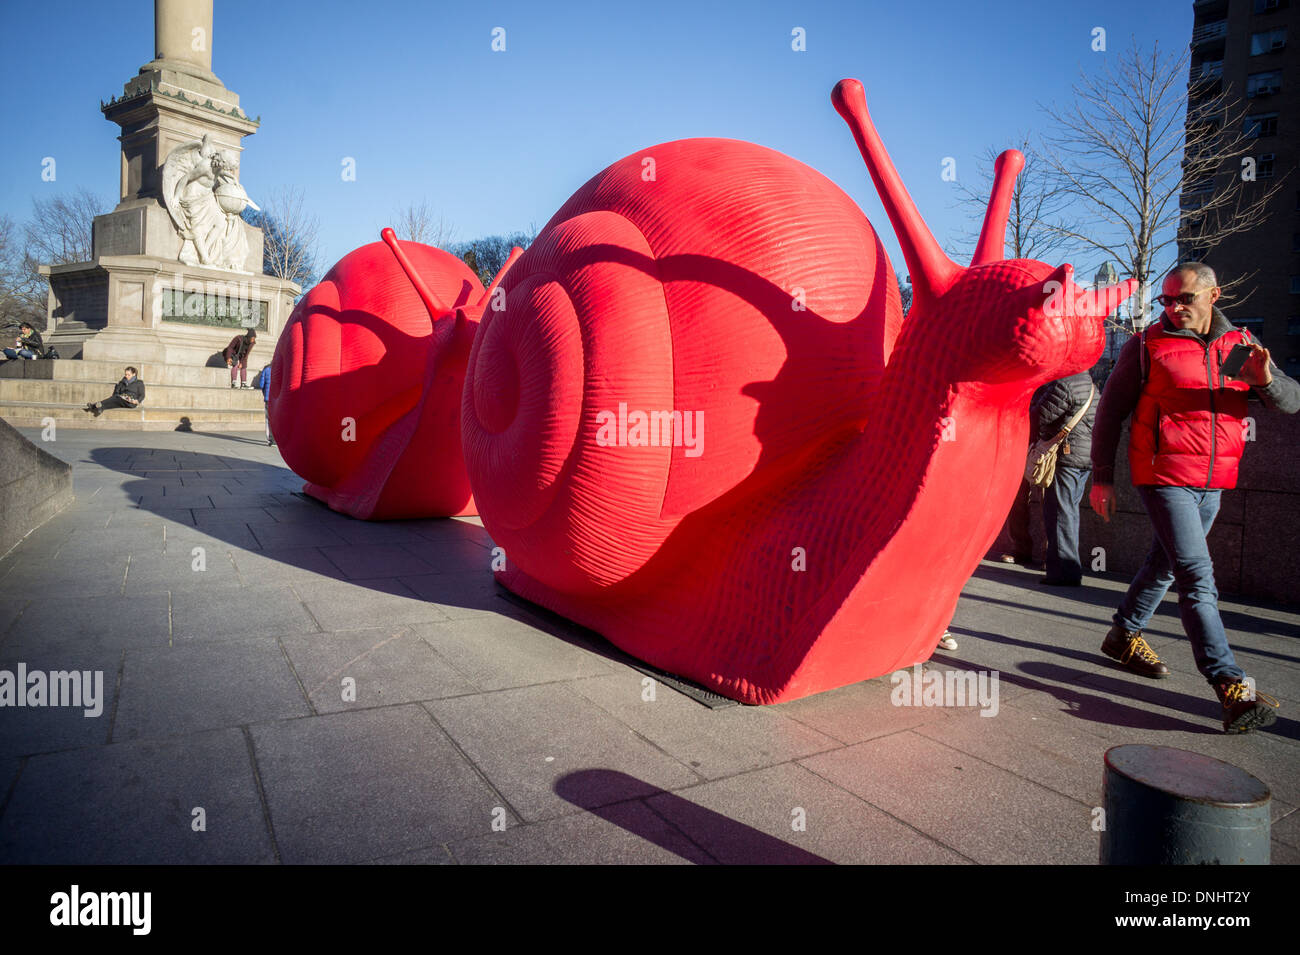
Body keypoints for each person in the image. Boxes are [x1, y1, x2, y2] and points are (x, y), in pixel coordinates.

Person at [1090, 262, 1300, 733]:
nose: (1174, 307)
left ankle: (1123, 633)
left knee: (1166, 563)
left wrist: (1265, 380)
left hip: (1216, 479)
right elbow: (1110, 411)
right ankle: (1230, 685)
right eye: (1166, 300)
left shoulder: (1240, 346)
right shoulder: (1148, 347)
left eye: (1184, 298)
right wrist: (1101, 475)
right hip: (1163, 475)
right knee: (1196, 576)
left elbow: (1291, 401)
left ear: (1214, 295)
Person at [1031, 371, 1096, 586]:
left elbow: (1041, 414)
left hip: (1066, 458)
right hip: (1084, 459)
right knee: (1070, 513)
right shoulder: (1092, 386)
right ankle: (1069, 567)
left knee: (1059, 514)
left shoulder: (1065, 383)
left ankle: (1063, 572)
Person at [256, 363, 274, 446]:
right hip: (276, 399)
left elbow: (261, 384)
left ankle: (270, 439)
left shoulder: (266, 370)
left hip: (268, 398)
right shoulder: (279, 370)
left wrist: (264, 392)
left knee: (268, 419)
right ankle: (276, 439)